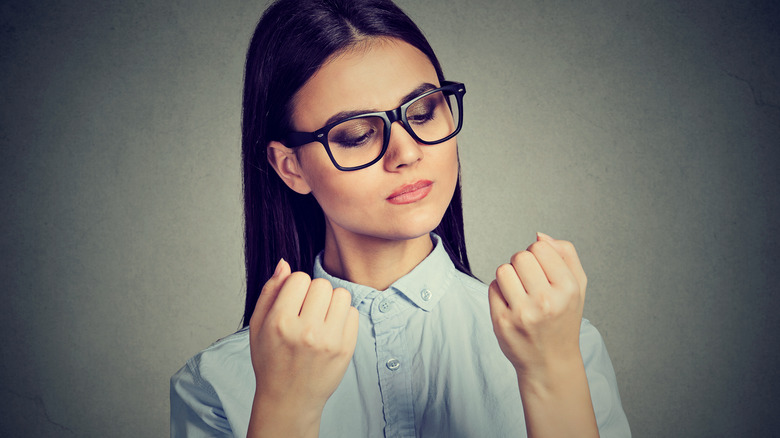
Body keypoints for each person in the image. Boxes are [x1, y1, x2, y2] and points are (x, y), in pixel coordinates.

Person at [170, 0, 631, 436]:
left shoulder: (562, 342)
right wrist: (285, 409)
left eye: (424, 111)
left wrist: (552, 375)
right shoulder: (216, 385)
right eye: (355, 135)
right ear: (291, 166)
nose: (407, 152)